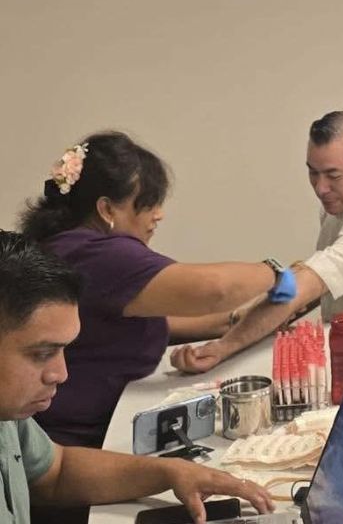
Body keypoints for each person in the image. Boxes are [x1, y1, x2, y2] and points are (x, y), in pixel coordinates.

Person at [18, 131, 296, 449]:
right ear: (107, 210)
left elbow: (130, 320)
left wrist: (230, 324)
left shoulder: (66, 245)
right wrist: (277, 273)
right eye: (148, 204)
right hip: (81, 441)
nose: (158, 214)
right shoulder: (98, 255)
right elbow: (213, 289)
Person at [0, 231, 274, 524]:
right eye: (42, 353)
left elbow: (57, 471)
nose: (61, 373)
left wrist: (172, 472)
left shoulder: (9, 416)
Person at [171, 111, 343, 374]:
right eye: (313, 172)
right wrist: (240, 322)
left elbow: (304, 287)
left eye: (333, 175)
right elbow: (311, 282)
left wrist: (223, 348)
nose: (320, 188)